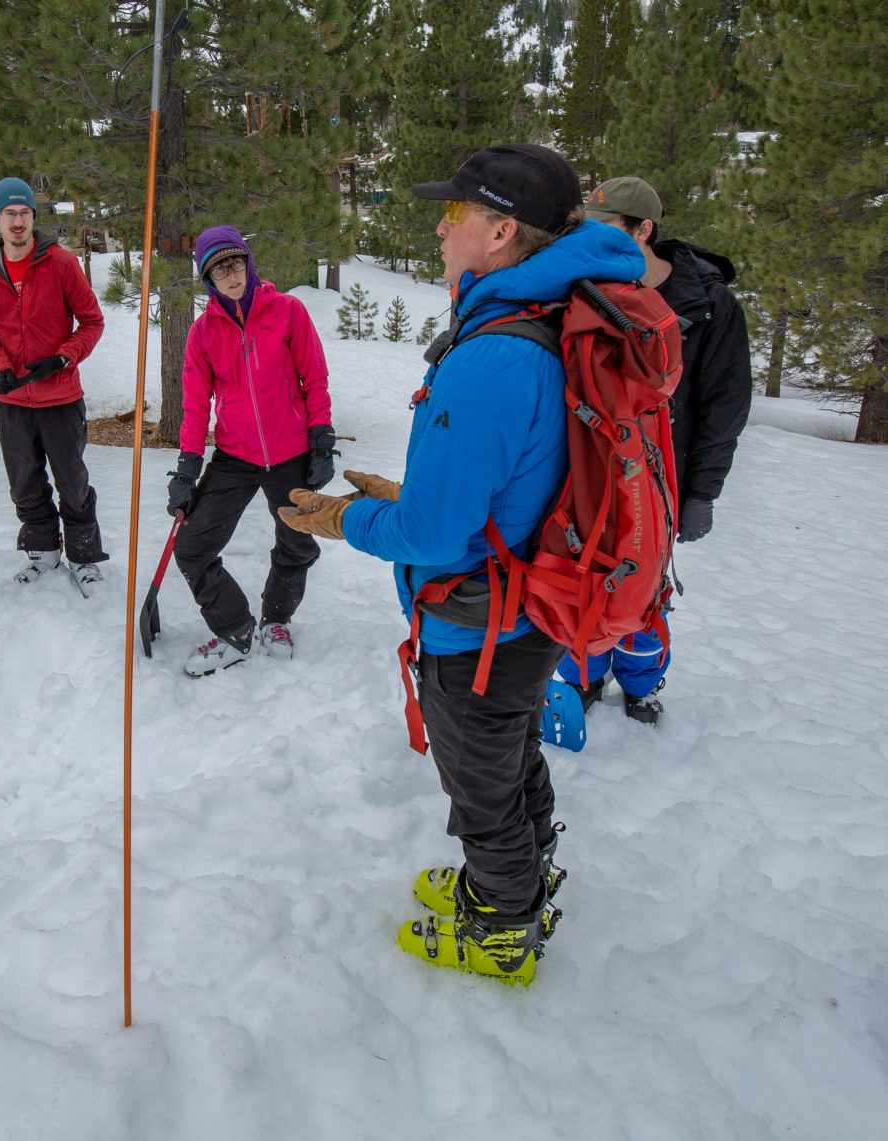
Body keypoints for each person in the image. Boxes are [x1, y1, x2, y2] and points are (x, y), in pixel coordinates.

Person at [279, 145, 645, 984]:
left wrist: (349, 516)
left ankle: (502, 923)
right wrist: (412, 491)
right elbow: (508, 479)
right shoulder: (540, 321)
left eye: (454, 215)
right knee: (511, 754)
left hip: (480, 622)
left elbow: (440, 536)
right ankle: (520, 875)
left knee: (480, 783)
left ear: (501, 231)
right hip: (531, 603)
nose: (440, 229)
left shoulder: (492, 357)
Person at [556, 175, 753, 724]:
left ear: (644, 230)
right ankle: (582, 676)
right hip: (589, 474)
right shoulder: (580, 288)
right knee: (584, 577)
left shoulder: (708, 304)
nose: (591, 245)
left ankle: (640, 683)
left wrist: (702, 494)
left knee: (643, 593)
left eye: (608, 231)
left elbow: (724, 406)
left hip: (662, 479)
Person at [166, 225, 336, 676]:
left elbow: (313, 378)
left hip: (290, 450)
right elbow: (195, 403)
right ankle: (235, 629)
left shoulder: (287, 312)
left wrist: (321, 439)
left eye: (236, 262)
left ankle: (276, 619)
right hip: (235, 455)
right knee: (192, 546)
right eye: (219, 268)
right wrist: (187, 469)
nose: (231, 274)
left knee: (297, 543)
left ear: (248, 262)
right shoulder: (203, 334)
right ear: (208, 278)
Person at [0, 177, 108, 588]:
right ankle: (43, 552)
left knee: (72, 481)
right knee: (25, 482)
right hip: (11, 400)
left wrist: (64, 357)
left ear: (33, 217)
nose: (17, 221)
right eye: (9, 213)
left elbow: (93, 321)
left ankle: (83, 557)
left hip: (60, 397)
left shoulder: (61, 264)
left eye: (24, 212)